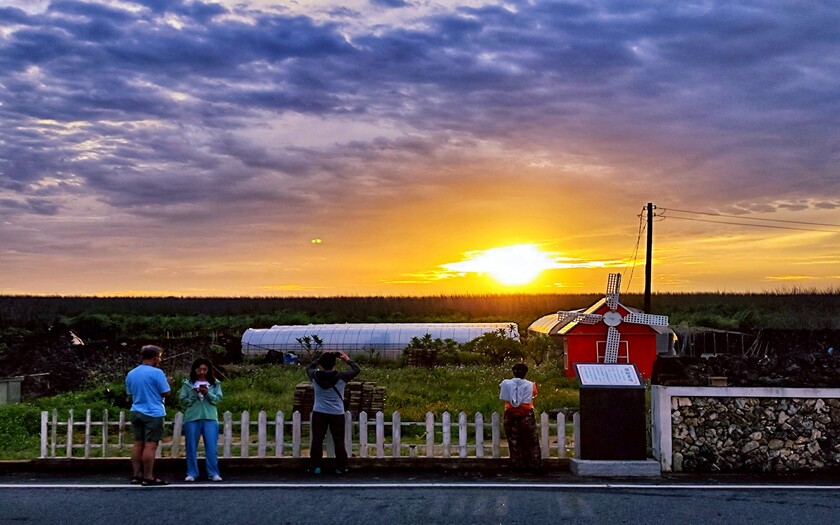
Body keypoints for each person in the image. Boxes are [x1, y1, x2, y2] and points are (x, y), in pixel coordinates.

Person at [306, 351, 361, 474]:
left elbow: (309, 367)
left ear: (321, 364)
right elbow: (357, 369)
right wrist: (347, 359)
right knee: (339, 440)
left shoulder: (314, 375)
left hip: (319, 412)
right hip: (337, 413)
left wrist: (319, 358)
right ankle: (341, 467)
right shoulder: (341, 377)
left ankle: (315, 467)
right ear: (334, 363)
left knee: (317, 440)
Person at [125, 345, 171, 486]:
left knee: (138, 443)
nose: (160, 359)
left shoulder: (131, 373)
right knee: (150, 445)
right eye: (159, 357)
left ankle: (136, 475)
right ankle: (148, 476)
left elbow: (129, 394)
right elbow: (166, 392)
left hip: (136, 410)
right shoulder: (157, 373)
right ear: (155, 357)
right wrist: (168, 383)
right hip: (153, 412)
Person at [179, 357, 223, 482]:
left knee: (211, 447)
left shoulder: (215, 384)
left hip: (210, 417)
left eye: (204, 369)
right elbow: (183, 401)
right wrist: (193, 394)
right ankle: (192, 472)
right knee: (191, 446)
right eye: (199, 369)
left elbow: (218, 400)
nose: (202, 372)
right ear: (195, 370)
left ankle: (213, 472)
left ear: (208, 370)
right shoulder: (187, 384)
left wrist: (207, 393)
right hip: (192, 418)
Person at [499, 363, 541, 471]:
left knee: (514, 440)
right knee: (531, 440)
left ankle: (517, 464)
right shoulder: (531, 384)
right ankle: (534, 463)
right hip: (526, 413)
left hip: (510, 413)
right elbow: (534, 393)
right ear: (526, 373)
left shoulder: (506, 383)